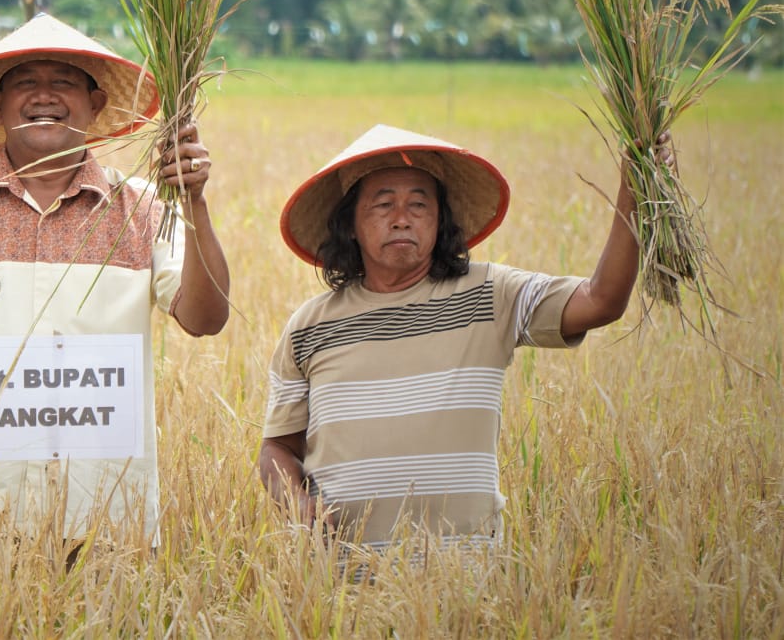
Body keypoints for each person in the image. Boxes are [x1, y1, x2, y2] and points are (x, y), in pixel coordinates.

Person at [0, 13, 231, 553]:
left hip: (107, 522)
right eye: (26, 82)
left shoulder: (145, 208)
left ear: (95, 104)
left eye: (64, 82)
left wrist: (193, 200)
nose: (44, 96)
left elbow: (206, 317)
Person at [258, 123, 665, 552]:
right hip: (340, 588)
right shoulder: (310, 327)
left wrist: (634, 191)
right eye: (383, 205)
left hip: (467, 588)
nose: (402, 219)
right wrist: (299, 505)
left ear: (440, 220)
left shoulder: (490, 295)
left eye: (419, 205)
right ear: (351, 224)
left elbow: (601, 300)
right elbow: (277, 448)